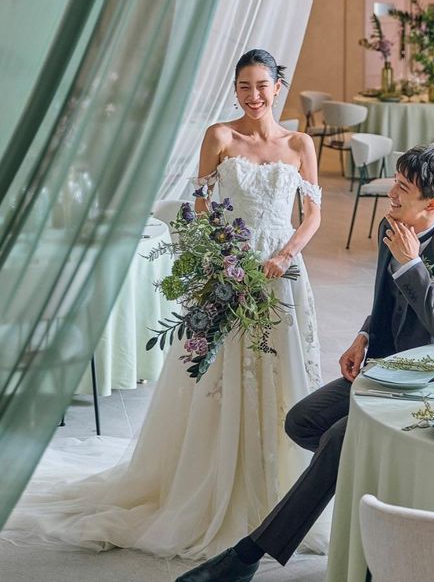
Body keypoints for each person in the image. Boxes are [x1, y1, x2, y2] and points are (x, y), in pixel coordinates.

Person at [1, 49, 326, 560]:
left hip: (281, 276)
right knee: (219, 375)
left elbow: (312, 215)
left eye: (262, 85)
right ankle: (211, 486)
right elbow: (201, 206)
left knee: (280, 373)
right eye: (244, 86)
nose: (253, 95)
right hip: (228, 270)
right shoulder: (220, 137)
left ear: (278, 87)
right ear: (235, 89)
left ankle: (279, 493)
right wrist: (221, 258)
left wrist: (284, 255)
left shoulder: (300, 144)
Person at [177, 145, 434, 582]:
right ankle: (376, 486)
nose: (391, 192)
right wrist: (363, 336)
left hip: (426, 386)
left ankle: (247, 556)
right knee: (302, 422)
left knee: (341, 440)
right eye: (395, 181)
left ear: (431, 204)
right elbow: (385, 302)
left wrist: (412, 263)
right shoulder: (391, 225)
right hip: (381, 371)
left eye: (403, 187)